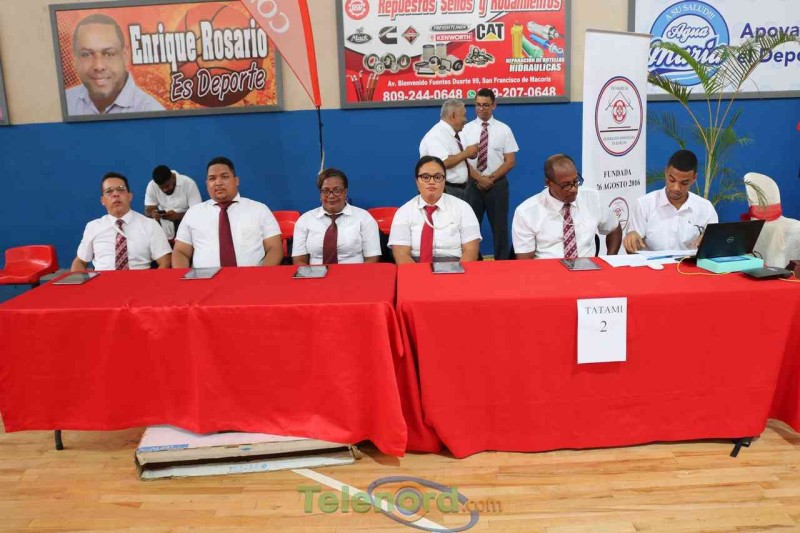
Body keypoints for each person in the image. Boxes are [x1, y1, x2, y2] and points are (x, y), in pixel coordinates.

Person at [172, 156, 283, 268]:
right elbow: (181, 252)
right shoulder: (193, 214)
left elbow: (275, 249)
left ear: (236, 181)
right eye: (212, 179)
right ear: (207, 184)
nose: (218, 183)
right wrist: (182, 277)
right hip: (203, 278)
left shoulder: (259, 210)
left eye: (224, 177)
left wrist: (260, 275)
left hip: (252, 277)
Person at [512, 154, 622, 259]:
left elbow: (614, 229)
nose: (573, 189)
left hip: (587, 268)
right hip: (547, 270)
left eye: (575, 181)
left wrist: (610, 260)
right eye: (566, 185)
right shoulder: (526, 212)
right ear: (548, 183)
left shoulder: (592, 198)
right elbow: (525, 261)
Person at [66, 14, 164, 115]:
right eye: (86, 54)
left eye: (109, 54)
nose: (99, 66)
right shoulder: (66, 103)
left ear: (125, 56)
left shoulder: (151, 111)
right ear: (75, 59)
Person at [389, 156, 481, 263]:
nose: (431, 181)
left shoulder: (463, 208)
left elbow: (471, 251)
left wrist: (458, 271)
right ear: (417, 181)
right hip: (415, 265)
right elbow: (401, 255)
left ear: (444, 180)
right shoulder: (403, 212)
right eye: (425, 177)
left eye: (437, 177)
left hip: (454, 264)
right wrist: (417, 273)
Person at [71, 172, 171, 271]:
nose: (115, 194)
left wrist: (152, 281)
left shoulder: (150, 225)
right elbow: (80, 262)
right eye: (109, 191)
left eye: (120, 189)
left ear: (130, 196)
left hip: (139, 280)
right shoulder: (93, 227)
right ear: (102, 200)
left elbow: (165, 262)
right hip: (103, 280)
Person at [462, 88, 519, 260]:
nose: (481, 108)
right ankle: (474, 261)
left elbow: (510, 161)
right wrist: (479, 179)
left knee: (500, 227)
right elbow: (462, 160)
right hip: (472, 184)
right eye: (478, 105)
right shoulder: (465, 129)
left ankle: (503, 263)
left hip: (497, 184)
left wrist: (490, 179)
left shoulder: (504, 130)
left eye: (486, 105)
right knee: (470, 228)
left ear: (494, 105)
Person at [624, 150, 718, 253]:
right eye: (672, 180)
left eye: (684, 183)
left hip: (690, 263)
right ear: (666, 172)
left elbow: (715, 248)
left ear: (694, 178)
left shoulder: (706, 208)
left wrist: (711, 241)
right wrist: (631, 240)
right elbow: (633, 250)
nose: (676, 188)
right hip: (653, 263)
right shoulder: (644, 204)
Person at [292, 168, 381, 265]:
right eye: (325, 191)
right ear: (320, 194)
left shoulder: (364, 218)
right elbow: (299, 260)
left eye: (337, 190)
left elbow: (372, 259)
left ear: (345, 192)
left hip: (355, 272)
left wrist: (356, 274)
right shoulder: (305, 220)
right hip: (315, 273)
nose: (331, 196)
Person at [419, 99, 479, 201]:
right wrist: (466, 153)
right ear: (453, 116)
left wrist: (469, 154)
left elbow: (457, 158)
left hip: (460, 190)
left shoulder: (452, 134)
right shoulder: (436, 135)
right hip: (446, 190)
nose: (466, 119)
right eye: (463, 115)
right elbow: (442, 162)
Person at [144, 165, 202, 241]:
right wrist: (153, 213)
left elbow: (197, 213)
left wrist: (177, 216)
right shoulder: (152, 185)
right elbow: (148, 211)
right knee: (148, 225)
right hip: (163, 223)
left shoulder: (189, 184)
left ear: (173, 177)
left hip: (185, 221)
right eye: (161, 188)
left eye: (167, 186)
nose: (164, 190)